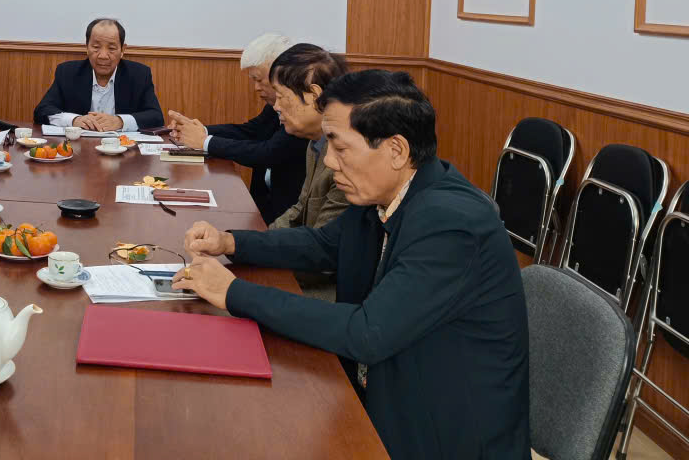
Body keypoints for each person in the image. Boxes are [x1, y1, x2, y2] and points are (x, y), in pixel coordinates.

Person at [173, 71, 529, 460]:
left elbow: (366, 333)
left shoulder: (452, 223)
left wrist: (232, 292)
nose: (328, 160)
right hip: (382, 395)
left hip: (440, 436)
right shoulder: (388, 193)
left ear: (396, 150)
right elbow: (323, 244)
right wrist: (230, 242)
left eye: (340, 147)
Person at [166, 32, 306, 222]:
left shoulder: (301, 116)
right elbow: (251, 131)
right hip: (263, 208)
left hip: (287, 217)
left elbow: (268, 153)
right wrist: (200, 130)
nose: (256, 88)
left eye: (259, 80)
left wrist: (205, 142)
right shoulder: (275, 106)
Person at [33, 18, 162, 130]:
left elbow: (156, 117)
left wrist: (120, 121)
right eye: (96, 47)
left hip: (121, 147)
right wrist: (74, 120)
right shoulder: (68, 73)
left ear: (122, 50)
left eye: (111, 48)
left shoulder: (139, 75)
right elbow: (42, 111)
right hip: (79, 147)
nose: (103, 56)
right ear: (87, 47)